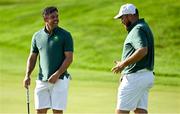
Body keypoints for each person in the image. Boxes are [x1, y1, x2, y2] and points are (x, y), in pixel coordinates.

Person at [23, 6, 73, 114]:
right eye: (52, 17)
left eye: (57, 16)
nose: (56, 19)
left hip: (60, 79)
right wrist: (27, 75)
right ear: (45, 19)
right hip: (42, 80)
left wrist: (57, 74)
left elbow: (69, 58)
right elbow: (32, 57)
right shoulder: (37, 36)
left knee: (57, 112)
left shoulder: (65, 35)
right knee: (40, 111)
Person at [111, 3, 154, 114]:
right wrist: (124, 67)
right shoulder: (143, 26)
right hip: (145, 76)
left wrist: (123, 65)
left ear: (130, 15)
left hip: (135, 78)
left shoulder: (137, 29)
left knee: (121, 111)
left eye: (122, 17)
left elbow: (142, 50)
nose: (121, 21)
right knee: (140, 110)